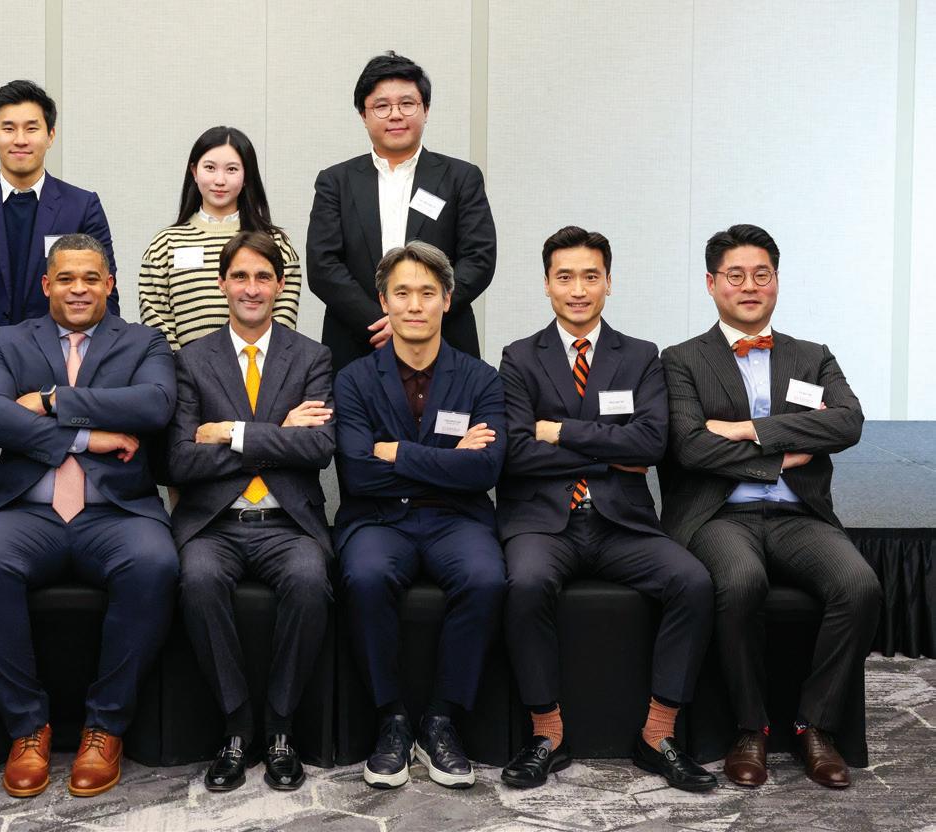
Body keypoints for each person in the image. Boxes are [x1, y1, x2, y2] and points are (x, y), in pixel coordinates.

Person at [0, 234, 178, 799]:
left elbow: (153, 405)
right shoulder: (8, 340)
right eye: (67, 279)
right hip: (27, 510)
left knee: (154, 565)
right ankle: (27, 727)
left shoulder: (144, 341)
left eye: (91, 278)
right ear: (46, 284)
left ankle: (106, 727)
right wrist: (86, 437)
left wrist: (53, 400)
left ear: (110, 285)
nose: (79, 289)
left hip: (117, 512)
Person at [496, 226, 716, 792]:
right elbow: (515, 452)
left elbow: (650, 443)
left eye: (590, 276)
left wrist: (559, 431)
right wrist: (608, 452)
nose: (578, 289)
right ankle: (547, 733)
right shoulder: (519, 358)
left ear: (609, 283)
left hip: (623, 522)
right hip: (543, 522)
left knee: (692, 581)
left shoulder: (641, 356)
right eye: (565, 277)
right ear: (547, 284)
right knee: (524, 584)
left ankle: (658, 734)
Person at [660, 224, 879, 790]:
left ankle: (814, 725)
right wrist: (782, 456)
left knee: (859, 585)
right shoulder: (680, 360)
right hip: (719, 515)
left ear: (777, 281)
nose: (750, 285)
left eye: (762, 274)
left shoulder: (812, 356)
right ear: (711, 283)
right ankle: (749, 727)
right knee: (741, 582)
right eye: (735, 275)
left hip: (798, 515)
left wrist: (748, 429)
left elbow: (848, 422)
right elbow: (690, 446)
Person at [333, 241, 505, 790]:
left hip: (458, 519)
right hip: (378, 519)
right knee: (364, 576)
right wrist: (449, 459)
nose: (414, 305)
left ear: (447, 300)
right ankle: (392, 719)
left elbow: (485, 470)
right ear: (383, 302)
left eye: (427, 293)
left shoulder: (481, 378)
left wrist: (397, 453)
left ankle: (440, 721)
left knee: (486, 577)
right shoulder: (353, 379)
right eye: (401, 293)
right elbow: (358, 475)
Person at [167, 232, 335, 792]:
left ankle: (280, 728)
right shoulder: (191, 360)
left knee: (310, 580)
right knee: (197, 580)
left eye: (263, 277)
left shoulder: (311, 357)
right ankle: (237, 728)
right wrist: (277, 435)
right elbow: (179, 460)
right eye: (240, 276)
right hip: (214, 524)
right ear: (222, 284)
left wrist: (232, 433)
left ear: (280, 285)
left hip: (288, 524)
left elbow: (319, 448)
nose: (251, 288)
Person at [0, 79, 118, 522]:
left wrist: (94, 375)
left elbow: (104, 294)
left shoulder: (82, 205)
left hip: (62, 373)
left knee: (57, 483)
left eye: (32, 128)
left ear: (51, 135)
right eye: (8, 128)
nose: (20, 139)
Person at [307, 51, 496, 371]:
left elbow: (479, 258)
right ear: (363, 115)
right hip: (359, 343)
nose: (395, 115)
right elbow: (323, 265)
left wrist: (422, 315)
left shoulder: (461, 178)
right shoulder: (336, 181)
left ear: (426, 110)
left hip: (445, 340)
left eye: (407, 104)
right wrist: (382, 322)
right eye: (381, 106)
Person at [138, 126, 302, 350]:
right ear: (194, 171)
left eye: (232, 169)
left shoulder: (276, 244)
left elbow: (283, 326)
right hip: (184, 371)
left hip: (258, 368)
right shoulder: (164, 245)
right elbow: (156, 325)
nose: (219, 180)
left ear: (247, 176)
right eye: (210, 168)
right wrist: (186, 367)